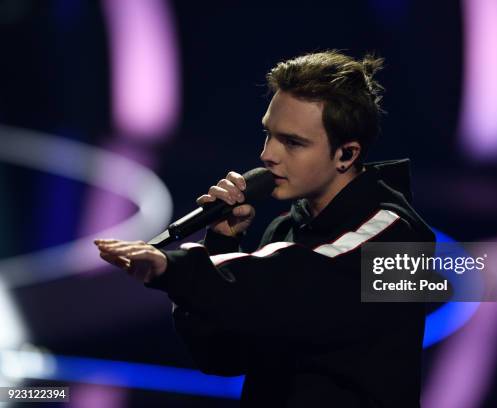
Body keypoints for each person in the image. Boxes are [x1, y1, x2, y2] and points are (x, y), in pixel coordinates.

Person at [95, 50, 436, 407]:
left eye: (292, 142)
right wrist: (221, 243)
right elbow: (223, 356)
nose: (268, 154)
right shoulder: (285, 229)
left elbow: (304, 281)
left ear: (347, 154)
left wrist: (178, 267)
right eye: (268, 134)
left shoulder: (399, 237)